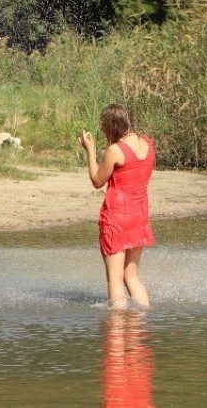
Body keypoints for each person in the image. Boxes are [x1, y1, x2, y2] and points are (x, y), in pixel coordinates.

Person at [80, 103, 155, 310]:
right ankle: (141, 326)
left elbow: (97, 180)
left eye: (104, 126)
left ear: (112, 126)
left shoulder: (115, 150)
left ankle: (116, 331)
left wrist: (90, 150)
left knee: (114, 278)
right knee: (131, 276)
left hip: (117, 216)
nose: (103, 130)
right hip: (139, 214)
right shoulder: (147, 144)